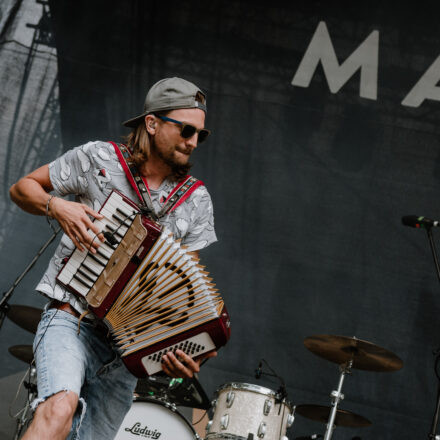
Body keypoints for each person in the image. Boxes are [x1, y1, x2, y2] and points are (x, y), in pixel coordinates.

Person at [9, 77, 218, 440]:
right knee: (58, 409)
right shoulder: (100, 159)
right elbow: (21, 188)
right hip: (70, 321)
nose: (193, 141)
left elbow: (180, 292)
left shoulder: (197, 201)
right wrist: (58, 206)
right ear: (152, 123)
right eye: (186, 129)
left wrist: (182, 348)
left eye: (200, 134)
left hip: (124, 356)